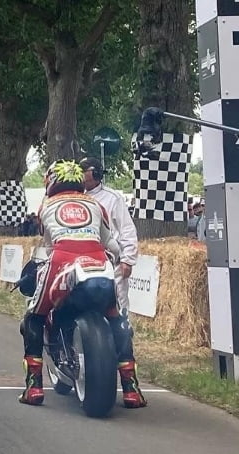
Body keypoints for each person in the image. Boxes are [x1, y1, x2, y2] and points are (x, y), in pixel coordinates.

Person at [18, 160, 146, 409]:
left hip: (62, 260)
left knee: (34, 316)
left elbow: (49, 245)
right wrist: (123, 259)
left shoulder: (46, 206)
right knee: (117, 318)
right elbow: (110, 242)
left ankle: (33, 386)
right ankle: (131, 389)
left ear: (52, 181)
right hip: (99, 260)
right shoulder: (96, 204)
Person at [79, 157, 147, 408]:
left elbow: (127, 231)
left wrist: (127, 259)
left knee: (119, 323)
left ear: (95, 173)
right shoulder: (73, 198)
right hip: (79, 266)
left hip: (110, 267)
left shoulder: (113, 199)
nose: (79, 175)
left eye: (83, 171)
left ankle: (130, 386)